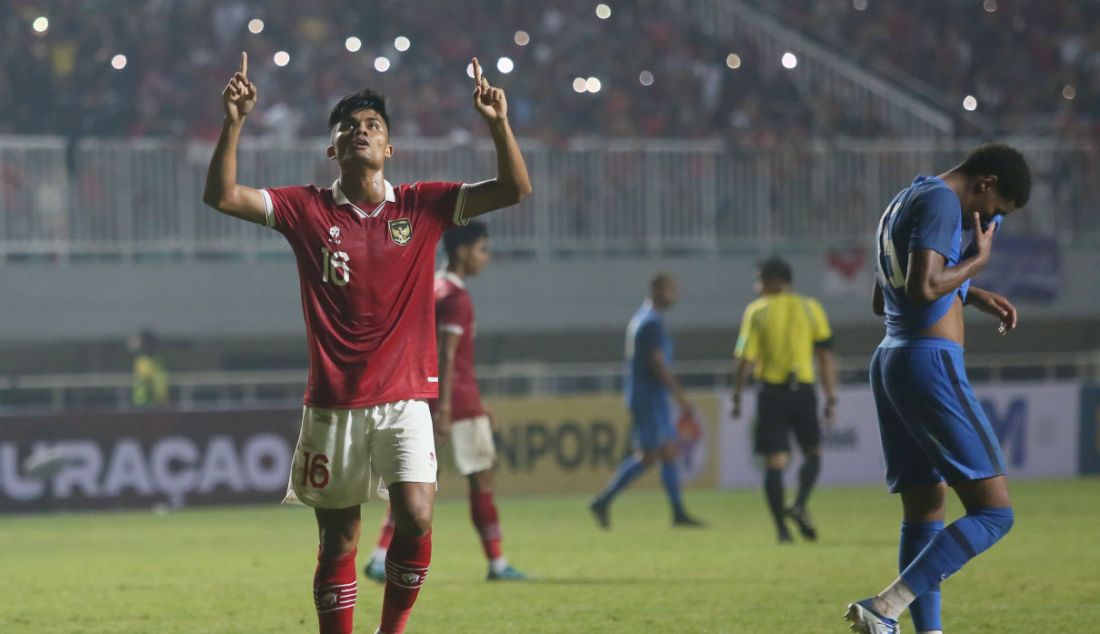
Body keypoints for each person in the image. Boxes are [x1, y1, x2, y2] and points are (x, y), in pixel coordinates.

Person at [202, 53, 531, 634]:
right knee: (340, 540)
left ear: (389, 149)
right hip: (333, 401)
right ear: (333, 149)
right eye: (349, 127)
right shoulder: (305, 208)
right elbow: (223, 196)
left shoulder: (421, 206)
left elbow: (513, 188)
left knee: (417, 513)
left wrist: (497, 123)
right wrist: (234, 121)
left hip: (405, 397)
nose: (361, 132)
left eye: (373, 126)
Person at [846, 144, 1030, 634]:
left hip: (893, 357)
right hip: (929, 364)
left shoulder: (907, 198)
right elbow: (924, 288)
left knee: (926, 509)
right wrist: (978, 264)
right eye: (995, 211)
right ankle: (885, 607)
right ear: (986, 183)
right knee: (995, 513)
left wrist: (976, 294)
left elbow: (880, 297)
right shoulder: (944, 203)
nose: (989, 222)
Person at [363, 221, 529, 582]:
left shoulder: (429, 288)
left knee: (413, 482)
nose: (486, 257)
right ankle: (498, 564)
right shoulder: (456, 296)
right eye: (482, 249)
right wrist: (450, 408)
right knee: (480, 481)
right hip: (455, 402)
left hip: (430, 397)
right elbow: (448, 355)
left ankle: (378, 555)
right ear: (462, 251)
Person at [731, 257, 837, 543]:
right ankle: (799, 502)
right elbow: (825, 356)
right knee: (812, 452)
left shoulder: (757, 311)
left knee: (774, 461)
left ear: (773, 281)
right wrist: (830, 396)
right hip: (803, 389)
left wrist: (737, 395)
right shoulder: (811, 307)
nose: (757, 287)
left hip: (771, 392)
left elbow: (745, 358)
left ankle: (781, 530)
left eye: (760, 281)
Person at [589, 273, 704, 529]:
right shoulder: (651, 323)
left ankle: (677, 512)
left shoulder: (643, 319)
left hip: (649, 398)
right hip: (649, 399)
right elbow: (657, 363)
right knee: (649, 455)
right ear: (657, 291)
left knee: (667, 451)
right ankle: (603, 501)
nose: (675, 296)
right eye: (671, 290)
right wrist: (680, 396)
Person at [129, 329, 170, 408]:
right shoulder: (143, 360)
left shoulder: (152, 361)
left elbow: (154, 380)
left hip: (152, 402)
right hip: (143, 401)